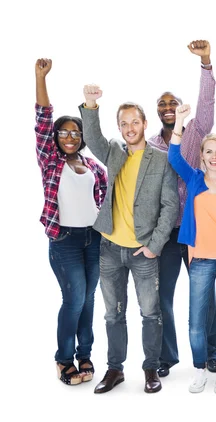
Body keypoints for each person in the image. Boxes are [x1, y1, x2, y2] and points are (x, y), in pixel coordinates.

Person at [80, 84, 179, 394]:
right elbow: (92, 138)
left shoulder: (161, 160)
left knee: (151, 312)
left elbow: (170, 205)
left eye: (135, 122)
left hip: (143, 251)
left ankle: (151, 369)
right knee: (113, 314)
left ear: (145, 123)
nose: (129, 128)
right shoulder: (113, 152)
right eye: (123, 123)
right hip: (110, 248)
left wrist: (154, 246)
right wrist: (91, 105)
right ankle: (114, 369)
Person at [147, 39, 216, 377]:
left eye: (172, 102)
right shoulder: (150, 146)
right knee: (162, 298)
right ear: (157, 111)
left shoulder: (196, 134)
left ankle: (212, 353)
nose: (167, 107)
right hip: (164, 234)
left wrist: (205, 63)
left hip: (196, 231)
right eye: (162, 104)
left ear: (179, 107)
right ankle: (166, 357)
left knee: (205, 296)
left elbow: (206, 104)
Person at [35, 58, 107, 386]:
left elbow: (103, 201)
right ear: (56, 137)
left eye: (75, 133)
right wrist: (41, 77)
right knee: (74, 298)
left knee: (89, 299)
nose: (69, 137)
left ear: (81, 137)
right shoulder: (50, 160)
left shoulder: (93, 166)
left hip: (94, 238)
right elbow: (42, 119)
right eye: (63, 132)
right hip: (64, 240)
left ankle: (86, 354)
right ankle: (64, 359)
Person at [168, 104, 216, 394]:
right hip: (200, 259)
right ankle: (200, 368)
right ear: (202, 156)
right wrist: (180, 121)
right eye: (209, 152)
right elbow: (174, 156)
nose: (214, 157)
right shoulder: (194, 180)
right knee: (196, 321)